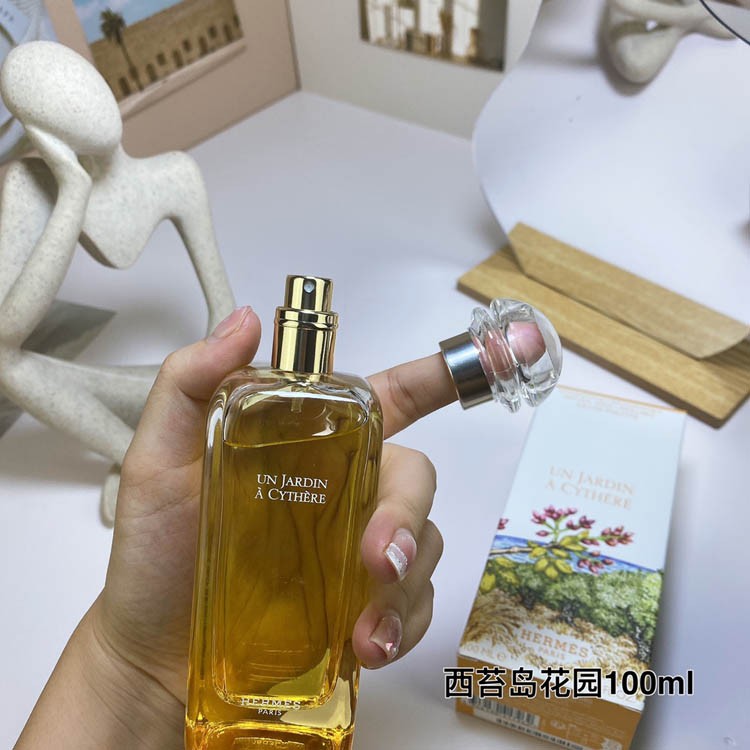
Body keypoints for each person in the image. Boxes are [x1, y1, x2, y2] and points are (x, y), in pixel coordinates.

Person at [15, 305, 458, 749]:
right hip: (201, 703)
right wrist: (132, 668)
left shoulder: (356, 408)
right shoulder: (240, 401)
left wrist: (132, 675)